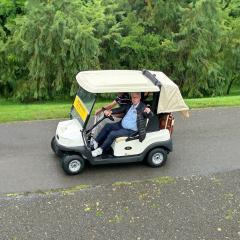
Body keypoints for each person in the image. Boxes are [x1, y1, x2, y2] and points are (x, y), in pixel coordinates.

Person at [91, 92, 153, 157]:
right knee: (107, 126)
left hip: (131, 131)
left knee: (113, 133)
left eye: (135, 98)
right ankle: (95, 143)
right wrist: (110, 111)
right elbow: (120, 109)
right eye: (132, 97)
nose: (133, 99)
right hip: (121, 125)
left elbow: (150, 115)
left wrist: (149, 112)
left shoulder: (143, 107)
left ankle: (101, 150)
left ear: (139, 98)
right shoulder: (130, 105)